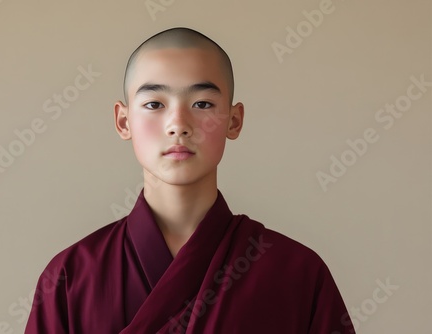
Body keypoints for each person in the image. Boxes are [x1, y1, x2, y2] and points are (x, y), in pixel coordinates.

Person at [25, 27, 355, 334]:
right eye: (154, 104)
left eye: (202, 104)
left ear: (234, 120)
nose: (178, 125)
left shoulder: (296, 272)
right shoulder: (69, 277)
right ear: (124, 121)